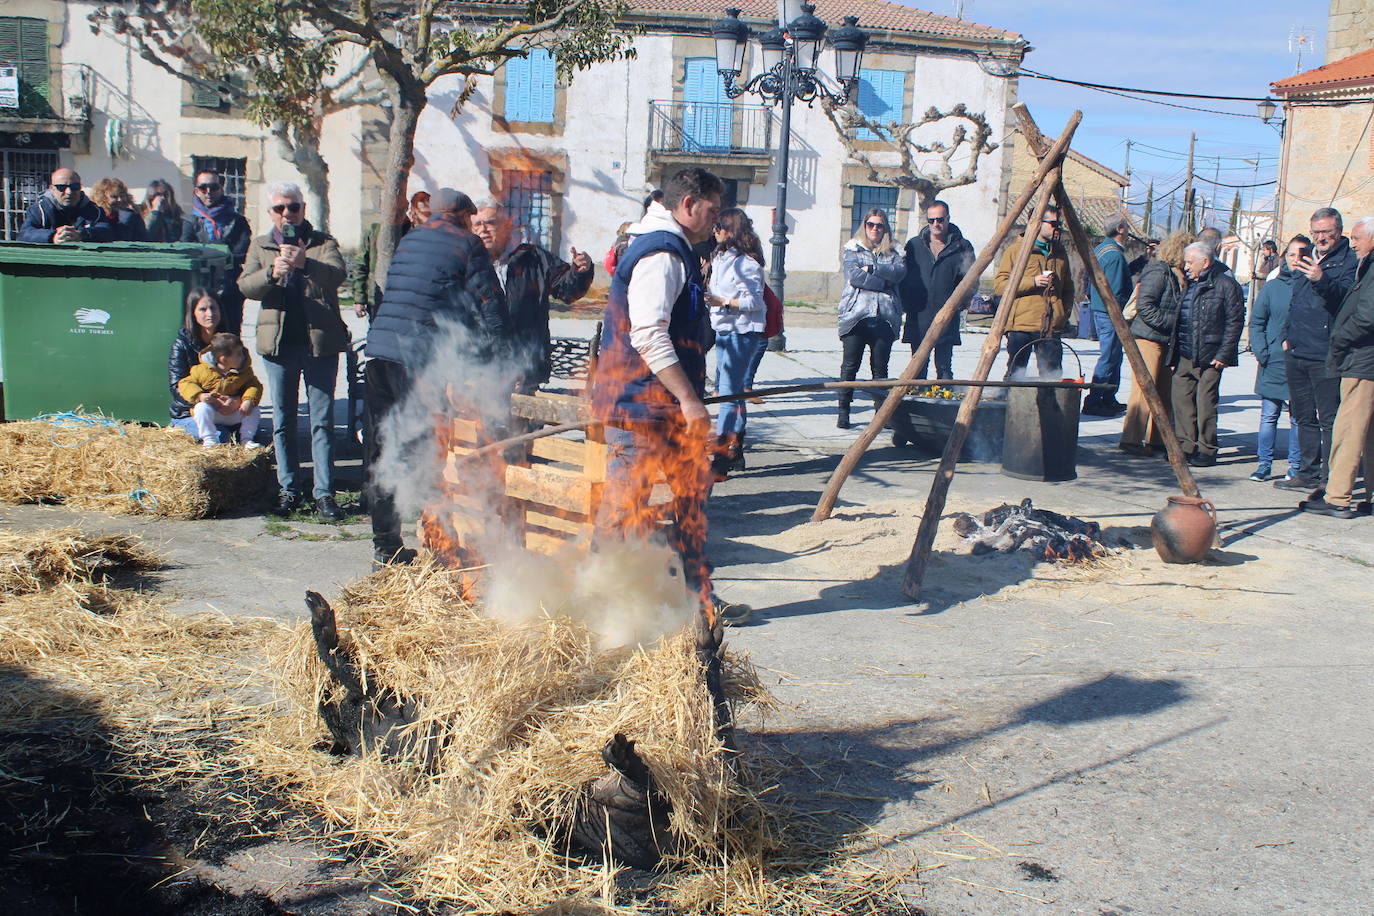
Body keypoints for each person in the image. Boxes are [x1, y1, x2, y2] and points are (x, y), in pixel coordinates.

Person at [590, 167, 748, 624]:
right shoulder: (661, 253)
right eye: (713, 210)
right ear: (688, 205)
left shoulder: (672, 247)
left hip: (661, 407)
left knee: (692, 501)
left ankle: (697, 603)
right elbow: (649, 336)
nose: (716, 220)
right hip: (643, 408)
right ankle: (595, 606)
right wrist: (690, 400)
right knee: (623, 510)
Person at [364, 189, 508, 566]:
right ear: (460, 215)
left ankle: (386, 546)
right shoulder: (466, 242)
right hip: (418, 361)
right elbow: (490, 302)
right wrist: (496, 361)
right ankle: (442, 544)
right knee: (432, 452)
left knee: (383, 452)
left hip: (380, 355)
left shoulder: (410, 241)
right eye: (469, 217)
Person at [238, 181, 349, 521]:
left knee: (322, 421)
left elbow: (337, 276)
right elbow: (245, 285)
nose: (287, 213)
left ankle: (324, 493)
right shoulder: (261, 245)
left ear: (303, 209)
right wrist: (272, 273)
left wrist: (305, 264)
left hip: (320, 344)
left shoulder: (322, 243)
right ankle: (289, 488)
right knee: (283, 422)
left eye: (293, 207)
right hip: (279, 346)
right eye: (280, 208)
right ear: (271, 212)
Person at [471, 197, 594, 392]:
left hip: (525, 366)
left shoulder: (533, 257)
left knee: (524, 421)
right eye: (477, 224)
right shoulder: (470, 264)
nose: (483, 229)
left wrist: (580, 271)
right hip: (482, 371)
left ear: (505, 226)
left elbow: (567, 291)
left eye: (490, 223)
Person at [1276, 207, 1360, 494]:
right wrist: (1286, 334)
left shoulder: (1350, 261)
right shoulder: (1307, 255)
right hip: (1297, 348)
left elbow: (1345, 299)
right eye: (1316, 232)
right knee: (1302, 416)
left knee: (1329, 418)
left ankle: (1328, 475)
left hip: (1325, 350)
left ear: (1339, 231)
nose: (1321, 237)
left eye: (1326, 232)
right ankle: (1307, 471)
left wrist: (1321, 279)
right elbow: (1294, 300)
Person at [1301, 216, 1374, 518]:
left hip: (1362, 361)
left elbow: (1367, 316)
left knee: (1349, 430)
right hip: (1363, 359)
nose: (1352, 242)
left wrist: (1340, 337)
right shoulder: (1366, 266)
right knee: (1368, 434)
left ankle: (1337, 496)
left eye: (1357, 237)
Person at [1168, 241, 1246, 467]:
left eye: (1190, 262)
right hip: (1185, 353)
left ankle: (1206, 450)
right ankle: (1185, 446)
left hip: (1211, 355)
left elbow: (1235, 321)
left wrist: (1224, 354)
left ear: (1206, 261)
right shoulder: (1190, 284)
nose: (1187, 266)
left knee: (1205, 403)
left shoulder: (1226, 285)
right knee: (1181, 401)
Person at [703, 207, 766, 480]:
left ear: (730, 230)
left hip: (742, 333)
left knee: (728, 395)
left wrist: (723, 302)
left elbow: (755, 303)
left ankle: (720, 458)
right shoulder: (720, 259)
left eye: (719, 226)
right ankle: (735, 451)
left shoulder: (747, 264)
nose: (714, 230)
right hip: (724, 331)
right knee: (733, 392)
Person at [1119, 231, 1192, 457]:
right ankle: (1131, 439)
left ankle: (1157, 440)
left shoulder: (1179, 275)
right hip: (1148, 338)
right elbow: (1146, 307)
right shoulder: (1158, 271)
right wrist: (1173, 323)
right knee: (1144, 389)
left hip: (1166, 341)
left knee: (1164, 391)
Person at [836, 208, 905, 429]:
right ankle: (844, 411)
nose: (875, 229)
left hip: (885, 315)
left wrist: (873, 268)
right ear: (864, 226)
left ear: (886, 228)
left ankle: (880, 414)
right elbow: (855, 277)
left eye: (880, 225)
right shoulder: (853, 248)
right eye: (871, 224)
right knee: (850, 366)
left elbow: (899, 273)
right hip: (857, 314)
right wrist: (884, 283)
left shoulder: (895, 251)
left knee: (880, 369)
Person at [1247, 236, 1310, 481]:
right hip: (1272, 360)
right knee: (1269, 415)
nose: (1295, 260)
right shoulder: (1273, 287)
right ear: (1285, 257)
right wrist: (1262, 352)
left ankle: (1295, 465)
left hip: (1300, 361)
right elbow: (1258, 321)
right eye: (1291, 255)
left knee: (1298, 417)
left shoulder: (1312, 285)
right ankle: (1264, 463)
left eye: (1301, 256)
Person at [899, 199, 975, 381]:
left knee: (944, 368)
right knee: (917, 367)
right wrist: (906, 304)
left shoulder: (962, 246)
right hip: (919, 315)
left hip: (947, 315)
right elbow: (904, 276)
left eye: (940, 219)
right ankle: (918, 405)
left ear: (948, 218)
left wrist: (960, 304)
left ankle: (944, 407)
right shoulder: (914, 246)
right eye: (931, 220)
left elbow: (971, 279)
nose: (936, 224)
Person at [995, 206, 1073, 379]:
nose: (1056, 228)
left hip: (1050, 326)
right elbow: (1000, 285)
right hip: (1021, 325)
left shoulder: (1060, 253)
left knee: (1052, 376)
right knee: (1016, 373)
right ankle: (1011, 405)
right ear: (1037, 224)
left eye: (1058, 224)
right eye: (1052, 224)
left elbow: (1068, 288)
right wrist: (1033, 282)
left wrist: (1063, 312)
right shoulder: (1015, 251)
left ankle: (1048, 406)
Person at [183, 170, 252, 333]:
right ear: (196, 190)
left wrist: (209, 251)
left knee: (229, 338)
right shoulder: (189, 221)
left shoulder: (238, 221)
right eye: (203, 187)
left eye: (213, 187)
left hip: (228, 289)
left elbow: (240, 253)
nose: (208, 192)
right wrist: (219, 251)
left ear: (221, 189)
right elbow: (186, 250)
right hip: (199, 290)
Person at [1083, 215, 1134, 416]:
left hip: (1101, 311)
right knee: (1109, 356)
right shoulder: (1114, 255)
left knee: (1113, 356)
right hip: (1109, 313)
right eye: (1127, 227)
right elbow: (1114, 290)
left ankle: (1108, 396)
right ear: (1120, 229)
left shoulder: (1103, 249)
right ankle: (1096, 400)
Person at [353, 191, 431, 319]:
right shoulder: (374, 232)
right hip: (379, 295)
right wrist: (359, 299)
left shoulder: (414, 231)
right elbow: (361, 266)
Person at [177, 332, 263, 449]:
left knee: (254, 410)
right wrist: (200, 395)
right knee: (201, 408)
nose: (243, 357)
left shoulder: (244, 371)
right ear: (224, 359)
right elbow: (185, 383)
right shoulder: (202, 370)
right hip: (214, 413)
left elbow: (254, 385)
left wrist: (247, 401)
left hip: (233, 413)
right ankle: (209, 439)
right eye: (238, 354)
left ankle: (246, 440)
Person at [169, 288, 227, 438]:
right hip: (189, 412)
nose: (210, 314)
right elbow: (177, 387)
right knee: (221, 436)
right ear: (193, 313)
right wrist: (201, 397)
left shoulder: (228, 341)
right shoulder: (181, 345)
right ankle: (176, 428)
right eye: (203, 309)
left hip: (222, 410)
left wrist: (237, 398)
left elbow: (243, 377)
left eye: (213, 308)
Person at [18, 168, 113, 243]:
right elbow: (24, 234)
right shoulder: (39, 210)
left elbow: (107, 232)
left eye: (74, 187)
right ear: (52, 189)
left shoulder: (94, 211)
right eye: (62, 187)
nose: (69, 192)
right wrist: (53, 236)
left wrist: (82, 235)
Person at [89, 177, 146, 242]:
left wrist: (127, 214)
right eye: (114, 197)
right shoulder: (97, 217)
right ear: (103, 198)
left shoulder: (133, 216)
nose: (120, 199)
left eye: (122, 196)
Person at [141, 179, 185, 243]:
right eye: (157, 195)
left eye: (165, 195)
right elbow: (146, 235)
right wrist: (155, 212)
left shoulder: (178, 216)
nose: (162, 199)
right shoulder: (141, 215)